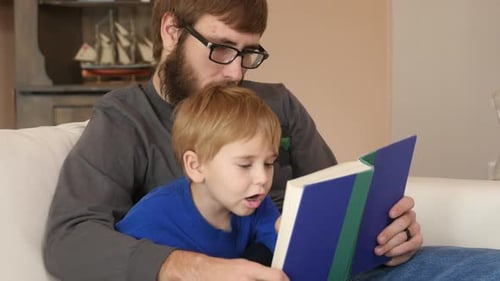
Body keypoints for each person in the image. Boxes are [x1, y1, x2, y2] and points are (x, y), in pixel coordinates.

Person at [43, 0, 500, 280]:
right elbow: (70, 240)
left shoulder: (277, 104)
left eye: (249, 54)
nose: (236, 72)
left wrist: (387, 232)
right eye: (221, 49)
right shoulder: (124, 119)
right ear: (171, 32)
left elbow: (333, 197)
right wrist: (197, 269)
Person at [116, 83, 282, 261]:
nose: (262, 178)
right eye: (244, 165)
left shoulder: (255, 201)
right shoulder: (149, 220)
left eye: (268, 163)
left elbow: (274, 246)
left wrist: (286, 235)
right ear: (195, 166)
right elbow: (118, 265)